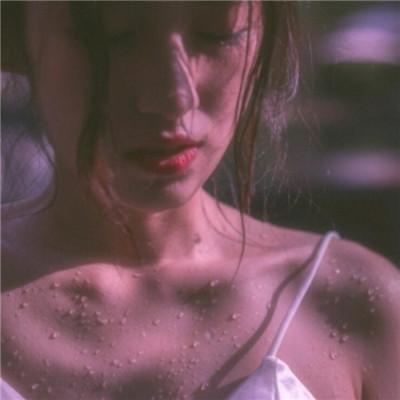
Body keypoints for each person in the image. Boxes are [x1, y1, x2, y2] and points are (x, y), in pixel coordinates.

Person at [1, 2, 399, 400]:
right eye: (110, 36)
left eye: (218, 34)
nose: (174, 96)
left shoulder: (351, 307)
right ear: (16, 39)